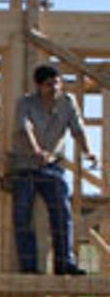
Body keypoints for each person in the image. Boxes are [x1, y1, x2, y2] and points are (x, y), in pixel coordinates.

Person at [10, 63, 98, 275]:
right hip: (25, 165)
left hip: (52, 165)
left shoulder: (68, 102)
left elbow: (77, 129)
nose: (55, 88)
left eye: (58, 83)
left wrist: (88, 151)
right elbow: (25, 127)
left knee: (62, 213)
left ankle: (64, 262)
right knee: (22, 216)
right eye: (50, 84)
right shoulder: (25, 102)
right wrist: (36, 151)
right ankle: (29, 266)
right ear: (39, 86)